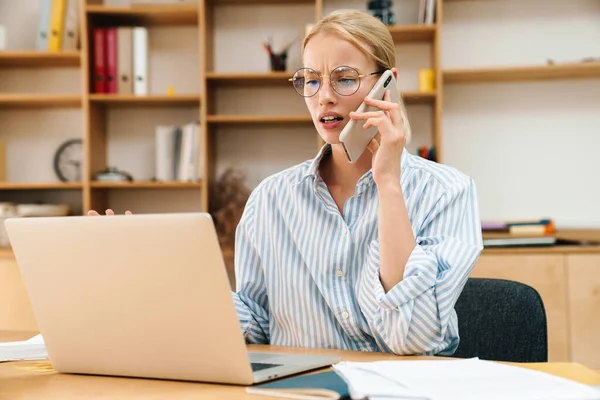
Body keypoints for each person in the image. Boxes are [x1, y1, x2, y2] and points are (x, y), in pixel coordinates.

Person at [90, 9, 483, 356]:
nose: (324, 97)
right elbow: (256, 323)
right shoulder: (271, 199)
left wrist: (389, 185)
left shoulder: (446, 192)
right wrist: (147, 275)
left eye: (344, 79)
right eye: (311, 80)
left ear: (388, 85)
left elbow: (411, 338)